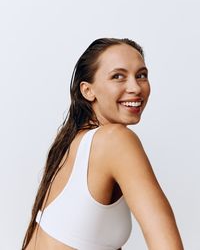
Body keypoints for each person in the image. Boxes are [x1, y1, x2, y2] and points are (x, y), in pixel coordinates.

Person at [22, 38, 184, 250]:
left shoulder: (72, 140)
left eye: (141, 75)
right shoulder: (116, 139)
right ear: (88, 91)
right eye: (118, 76)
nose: (135, 87)